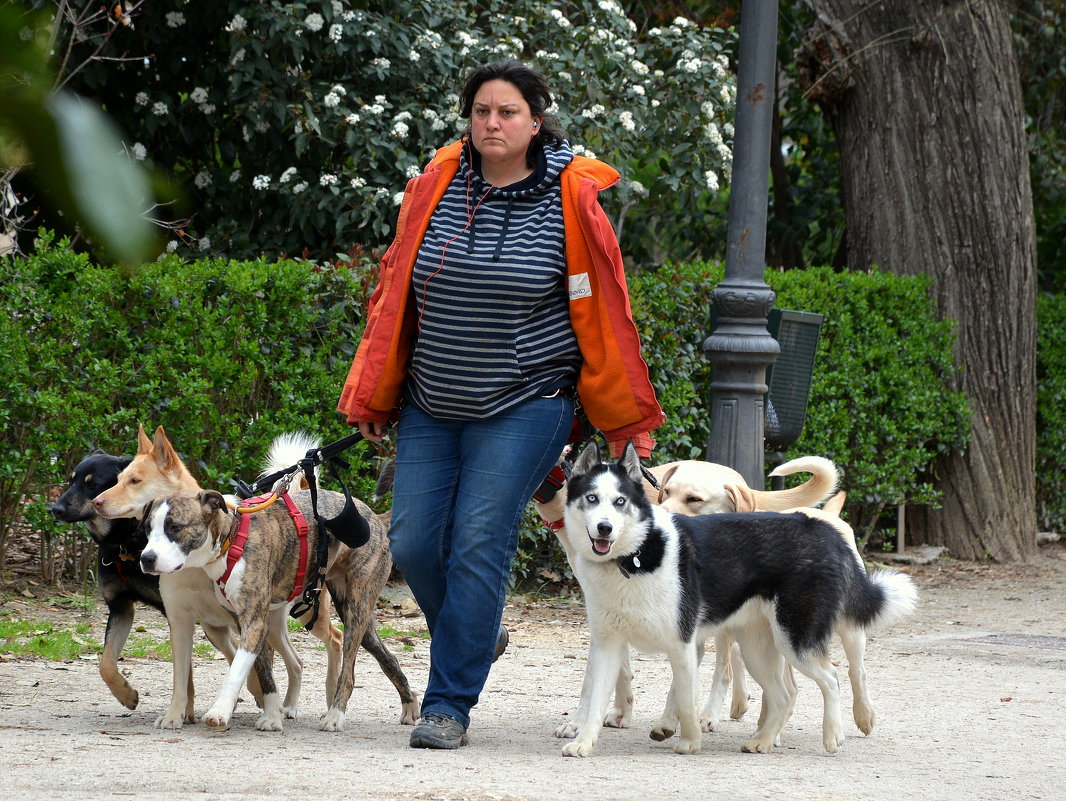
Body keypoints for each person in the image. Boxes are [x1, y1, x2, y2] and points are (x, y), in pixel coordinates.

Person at [337, 59, 664, 749]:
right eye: (481, 111)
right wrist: (373, 390)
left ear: (535, 122)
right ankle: (479, 634)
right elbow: (395, 292)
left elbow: (606, 313)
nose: (492, 122)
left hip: (529, 400)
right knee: (419, 540)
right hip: (433, 397)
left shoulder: (570, 200)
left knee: (481, 535)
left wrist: (626, 418)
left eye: (507, 112)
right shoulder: (437, 186)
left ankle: (447, 703)